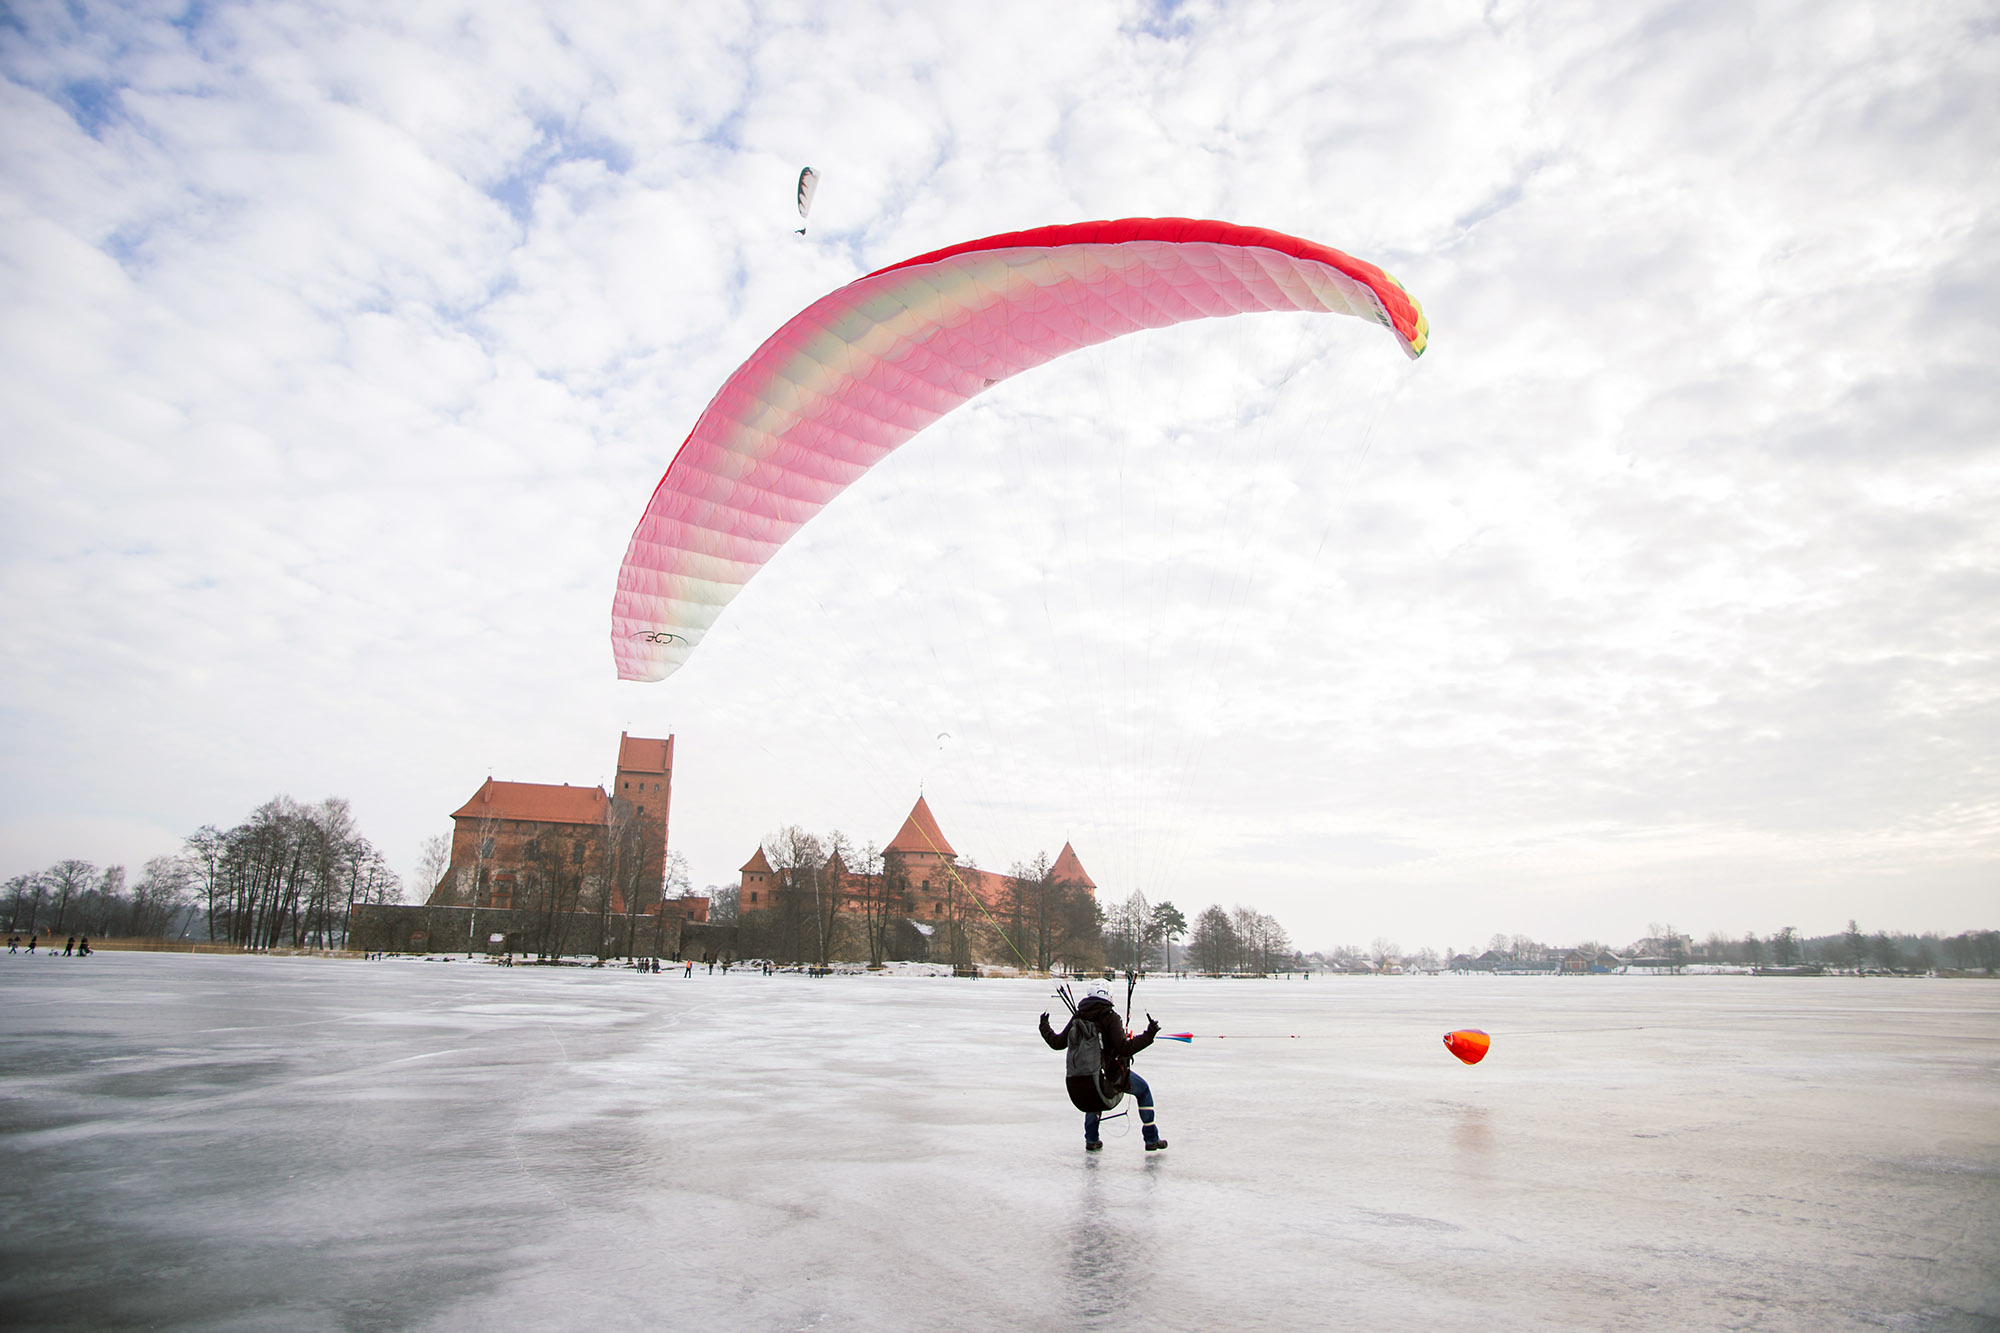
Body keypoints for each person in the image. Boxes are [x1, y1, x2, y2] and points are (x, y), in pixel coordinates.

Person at [1039, 983, 1167, 1153]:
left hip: (1086, 1076)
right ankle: (1151, 1139)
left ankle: (1091, 1139)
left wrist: (1044, 1026)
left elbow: (1057, 1043)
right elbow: (1124, 1048)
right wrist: (1149, 1035)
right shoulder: (1110, 1016)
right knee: (1143, 1090)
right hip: (1110, 1075)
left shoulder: (1078, 1016)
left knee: (1093, 1092)